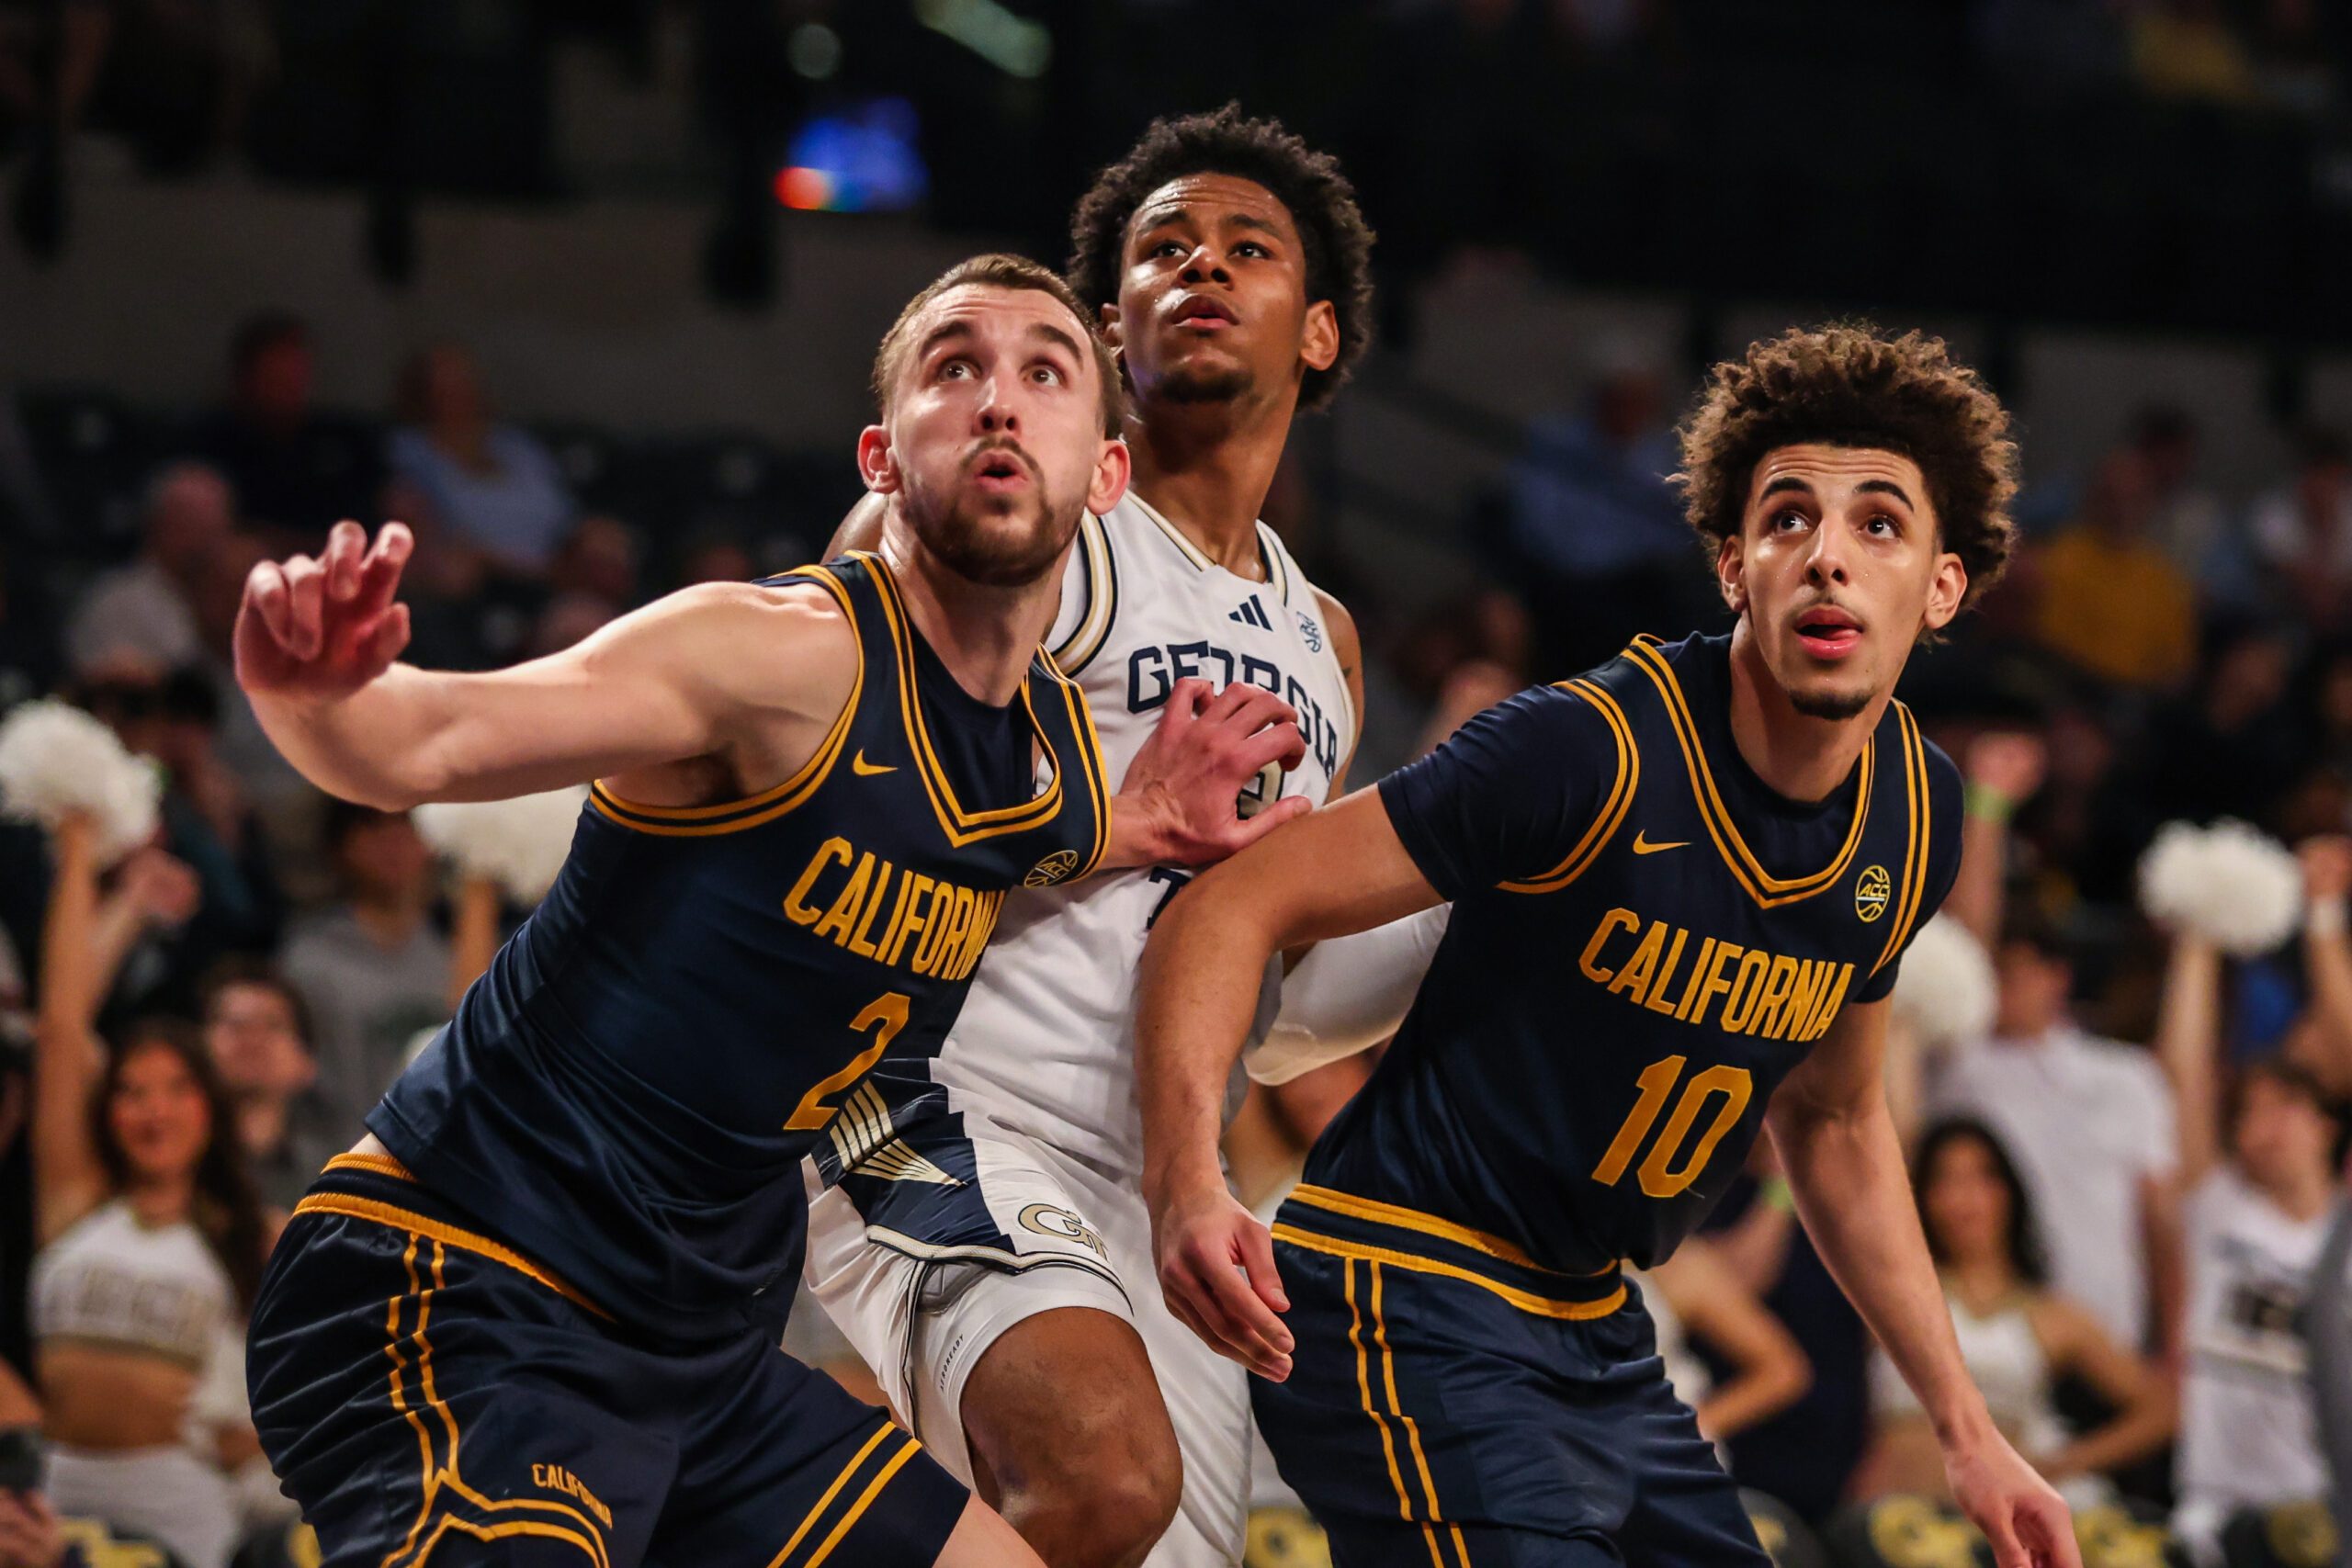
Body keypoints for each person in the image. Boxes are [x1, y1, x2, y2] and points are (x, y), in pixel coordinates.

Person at [238, 253, 1305, 1568]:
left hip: (703, 1362)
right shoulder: (770, 657)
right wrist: (315, 689)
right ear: (880, 455)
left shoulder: (1057, 757)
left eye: (1046, 370)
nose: (999, 400)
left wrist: (1146, 820)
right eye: (955, 366)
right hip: (473, 1284)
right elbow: (428, 740)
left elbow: (1026, 836)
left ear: (1106, 475)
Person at [1137, 324, 2086, 1568]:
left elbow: (1840, 1122)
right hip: (1403, 1284)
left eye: (1879, 526)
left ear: (1945, 585)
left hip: (1597, 1323)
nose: (1829, 560)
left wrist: (1969, 1429)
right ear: (1733, 564)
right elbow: (1230, 904)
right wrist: (1187, 1181)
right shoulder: (1588, 746)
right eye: (1789, 519)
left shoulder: (1919, 812)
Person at [806, 107, 1375, 1568]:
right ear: (1111, 327)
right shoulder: (1014, 513)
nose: (1199, 268)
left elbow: (1247, 960)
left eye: (1246, 251)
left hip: (1155, 1165)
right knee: (1101, 1477)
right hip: (931, 1096)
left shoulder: (1326, 639)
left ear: (1316, 333)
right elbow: (822, 813)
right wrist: (1116, 825)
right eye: (1160, 250)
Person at [30, 818, 266, 1568]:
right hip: (54, 1505)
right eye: (131, 1091)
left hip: (186, 1519)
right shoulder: (76, 1198)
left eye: (175, 1089)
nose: (153, 1110)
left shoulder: (254, 1229)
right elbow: (63, 1026)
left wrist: (248, 1437)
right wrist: (85, 856)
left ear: (211, 1106)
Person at [2154, 863, 2350, 1563]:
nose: (2261, 1125)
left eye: (2284, 1106)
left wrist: (2324, 916)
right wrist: (2200, 935)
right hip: (2217, 1514)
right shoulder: (2219, 1204)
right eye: (2249, 1111)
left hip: (2328, 1510)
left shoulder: (2346, 1231)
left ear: (2327, 1123)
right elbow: (2184, 1070)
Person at [1855, 1119, 2175, 1512]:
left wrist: (2066, 1462)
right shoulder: (1888, 1291)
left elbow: (2163, 1408)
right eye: (1945, 1180)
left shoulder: (2051, 1315)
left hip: (1995, 1525)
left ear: (2009, 1193)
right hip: (1889, 1517)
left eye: (1981, 1179)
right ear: (1922, 1196)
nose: (1963, 1199)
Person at [1926, 911, 2183, 1361]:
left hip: (2112, 1334)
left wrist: (2175, 1344)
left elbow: (2159, 1218)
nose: (2003, 987)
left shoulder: (2126, 1077)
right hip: (1995, 1342)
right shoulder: (1955, 1072)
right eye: (1994, 973)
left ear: (2058, 977)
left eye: (2016, 971)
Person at [63, 463, 238, 678]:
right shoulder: (117, 602)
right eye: (196, 526)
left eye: (218, 529)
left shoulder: (224, 601)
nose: (210, 544)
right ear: (160, 524)